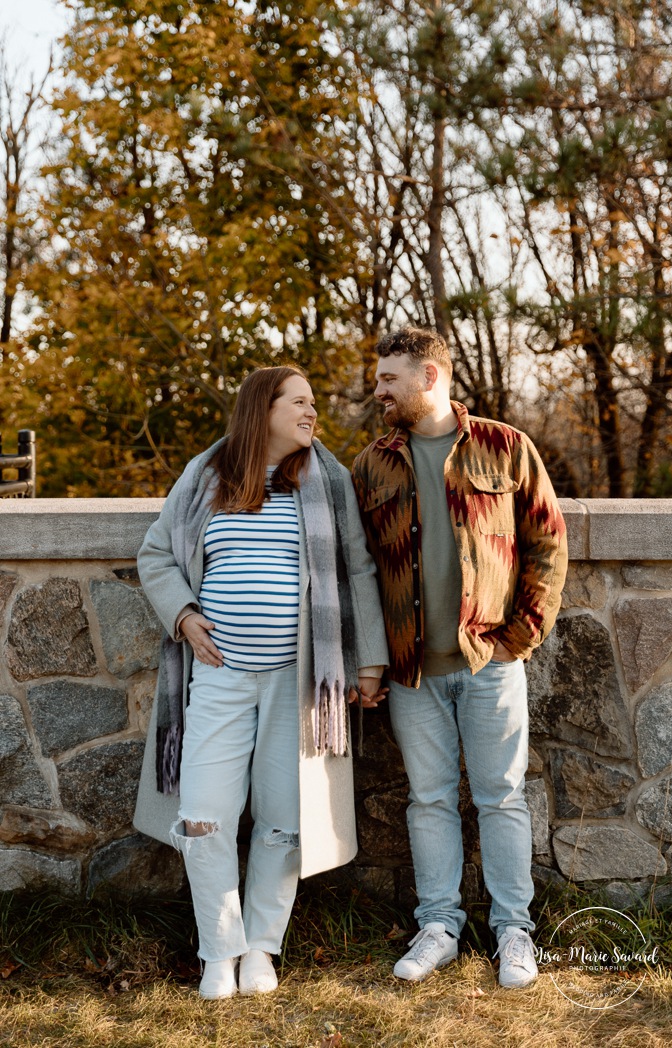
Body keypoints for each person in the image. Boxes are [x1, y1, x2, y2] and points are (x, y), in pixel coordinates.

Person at [133, 366, 388, 1000]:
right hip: (217, 677)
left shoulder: (327, 480)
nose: (312, 414)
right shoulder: (204, 476)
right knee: (203, 816)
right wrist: (185, 616)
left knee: (284, 819)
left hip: (298, 684)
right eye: (299, 402)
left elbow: (357, 568)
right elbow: (157, 553)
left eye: (312, 404)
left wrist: (369, 661)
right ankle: (218, 951)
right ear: (262, 409)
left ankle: (261, 947)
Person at [351, 328, 567, 989]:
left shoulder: (505, 447)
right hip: (412, 670)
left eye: (389, 378)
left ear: (429, 376)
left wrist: (518, 638)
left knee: (502, 797)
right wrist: (371, 658)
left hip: (490, 662)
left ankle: (512, 932)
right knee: (429, 801)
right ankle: (438, 926)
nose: (377, 389)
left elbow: (546, 543)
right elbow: (355, 566)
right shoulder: (370, 465)